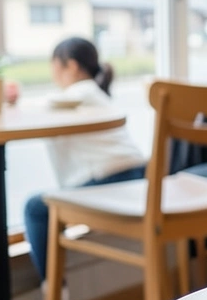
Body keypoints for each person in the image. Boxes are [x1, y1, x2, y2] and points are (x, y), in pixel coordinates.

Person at [24, 38, 148, 281]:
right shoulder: (97, 94)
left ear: (70, 66)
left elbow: (36, 111)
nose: (53, 75)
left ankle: (53, 285)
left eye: (54, 66)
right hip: (139, 174)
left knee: (35, 208)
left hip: (111, 180)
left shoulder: (77, 95)